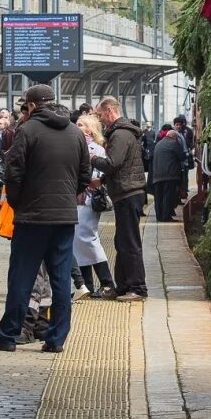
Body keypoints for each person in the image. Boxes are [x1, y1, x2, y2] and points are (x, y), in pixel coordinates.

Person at [0, 84, 90, 353]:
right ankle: (57, 338)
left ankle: (8, 335)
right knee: (61, 278)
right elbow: (84, 174)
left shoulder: (27, 131)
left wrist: (17, 202)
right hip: (64, 217)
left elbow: (13, 173)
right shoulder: (75, 132)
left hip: (32, 217)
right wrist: (66, 198)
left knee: (21, 276)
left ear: (32, 106)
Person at [90, 96, 147, 301]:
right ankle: (123, 286)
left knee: (129, 242)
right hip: (126, 192)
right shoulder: (121, 133)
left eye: (100, 115)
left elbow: (113, 162)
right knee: (122, 241)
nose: (99, 120)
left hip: (128, 193)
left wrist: (92, 158)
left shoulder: (120, 134)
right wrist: (103, 180)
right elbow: (121, 166)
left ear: (109, 111)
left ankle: (137, 287)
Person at [73, 114, 114, 297]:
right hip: (78, 198)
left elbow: (98, 173)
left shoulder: (95, 149)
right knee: (79, 240)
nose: (76, 126)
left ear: (89, 129)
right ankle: (87, 284)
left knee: (87, 238)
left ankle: (107, 283)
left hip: (87, 198)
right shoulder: (76, 145)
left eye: (80, 124)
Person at [150, 124, 186, 223]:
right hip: (169, 175)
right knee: (168, 195)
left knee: (158, 197)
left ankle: (159, 216)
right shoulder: (174, 143)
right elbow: (181, 157)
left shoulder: (158, 144)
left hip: (157, 175)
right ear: (174, 137)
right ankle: (166, 217)